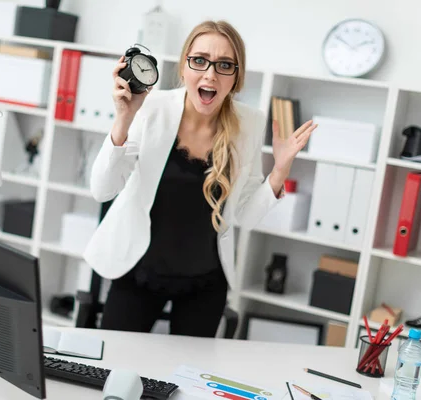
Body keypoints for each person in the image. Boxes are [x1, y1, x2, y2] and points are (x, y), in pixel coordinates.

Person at [83, 20, 316, 337]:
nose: (210, 74)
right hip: (138, 270)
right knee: (111, 364)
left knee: (187, 380)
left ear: (236, 77)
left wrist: (280, 170)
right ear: (184, 66)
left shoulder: (249, 123)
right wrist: (124, 118)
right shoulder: (151, 108)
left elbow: (245, 215)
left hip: (205, 281)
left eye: (224, 65)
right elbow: (102, 189)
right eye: (200, 61)